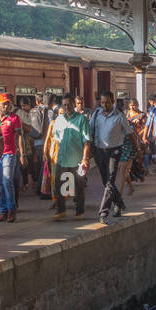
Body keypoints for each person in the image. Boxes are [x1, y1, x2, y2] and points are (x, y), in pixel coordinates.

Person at [90, 90, 131, 224]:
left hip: (114, 151)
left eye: (107, 102)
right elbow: (90, 131)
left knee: (109, 182)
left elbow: (129, 133)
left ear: (112, 102)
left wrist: (138, 149)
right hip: (99, 151)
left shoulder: (119, 116)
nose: (104, 105)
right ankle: (119, 203)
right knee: (106, 182)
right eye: (102, 102)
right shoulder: (96, 114)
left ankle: (103, 213)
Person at [50, 93, 92, 220]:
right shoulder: (59, 120)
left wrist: (85, 158)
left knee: (79, 185)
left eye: (69, 104)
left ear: (74, 105)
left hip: (77, 159)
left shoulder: (81, 119)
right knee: (59, 184)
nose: (66, 107)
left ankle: (79, 212)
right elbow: (57, 139)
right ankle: (61, 210)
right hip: (62, 159)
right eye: (64, 105)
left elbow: (87, 141)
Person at [0, 93, 26, 222]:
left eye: (8, 103)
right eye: (4, 103)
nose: (7, 106)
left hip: (9, 153)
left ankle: (12, 210)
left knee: (7, 181)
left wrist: (22, 154)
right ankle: (3, 210)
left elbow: (19, 136)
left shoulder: (14, 118)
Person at [26, 93, 50, 197]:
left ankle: (39, 188)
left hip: (35, 143)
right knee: (44, 168)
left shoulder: (33, 111)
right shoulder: (48, 111)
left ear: (36, 101)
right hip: (45, 144)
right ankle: (42, 189)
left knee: (39, 167)